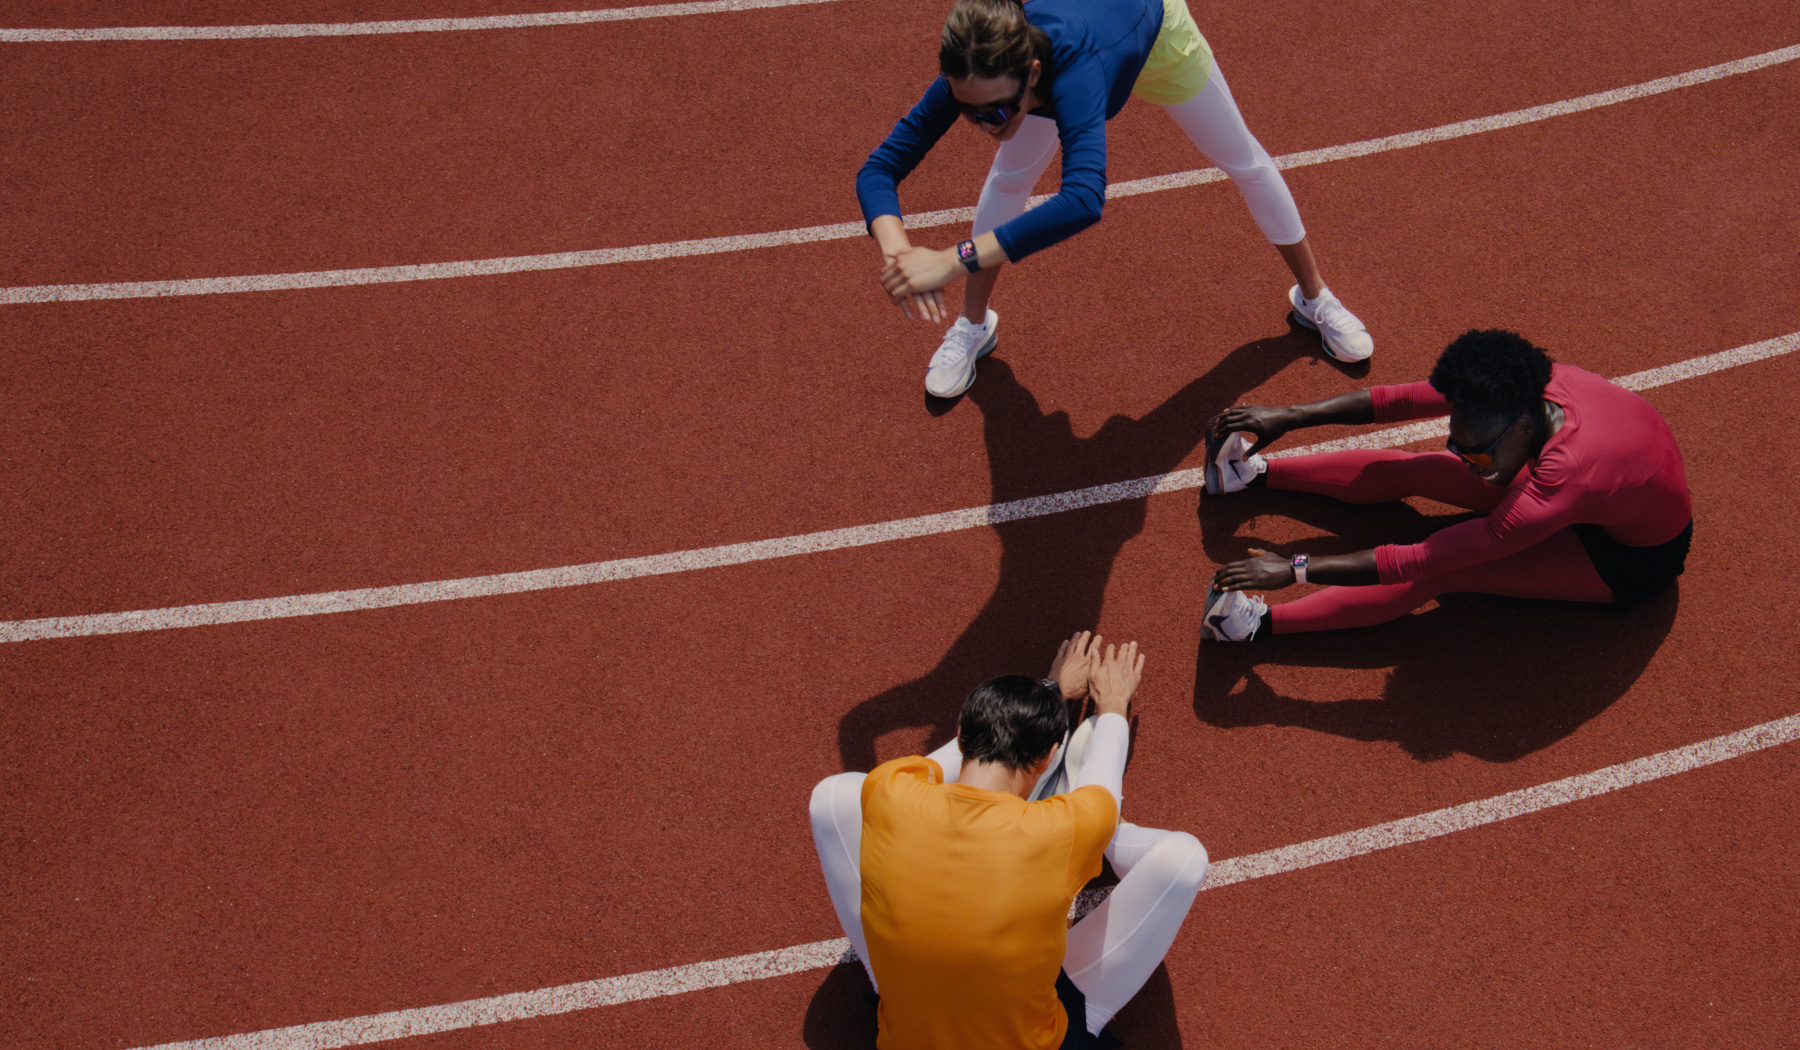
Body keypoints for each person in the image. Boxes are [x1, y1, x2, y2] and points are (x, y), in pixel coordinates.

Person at [857, 0, 1374, 399]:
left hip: (1155, 35)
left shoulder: (1073, 74)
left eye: (994, 114)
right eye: (967, 112)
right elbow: (878, 169)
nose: (982, 126)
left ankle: (1314, 299)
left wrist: (952, 259)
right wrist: (898, 254)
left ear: (1032, 74)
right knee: (1009, 179)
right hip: (1067, 53)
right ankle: (973, 325)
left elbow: (1084, 198)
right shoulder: (979, 73)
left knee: (1245, 162)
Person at [809, 632, 1209, 1048]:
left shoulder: (889, 788)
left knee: (833, 795)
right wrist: (1113, 706)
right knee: (1183, 860)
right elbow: (1102, 794)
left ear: (960, 734)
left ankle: (886, 983)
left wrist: (1050, 689)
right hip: (1034, 1037)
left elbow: (941, 763)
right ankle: (1106, 840)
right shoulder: (1062, 828)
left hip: (910, 1028)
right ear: (1049, 757)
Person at [1197, 329, 1694, 640]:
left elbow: (1422, 559)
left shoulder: (1562, 481)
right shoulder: (1518, 386)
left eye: (1478, 453)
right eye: (1462, 446)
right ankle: (1251, 474)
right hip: (1599, 492)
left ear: (1523, 428)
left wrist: (1295, 569)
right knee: (1426, 469)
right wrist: (1290, 415)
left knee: (1440, 575)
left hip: (1628, 557)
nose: (1469, 463)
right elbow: (1396, 401)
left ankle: (1248, 626)